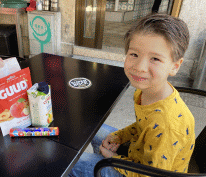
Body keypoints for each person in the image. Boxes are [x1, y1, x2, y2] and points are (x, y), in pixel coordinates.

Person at [68, 13, 195, 177]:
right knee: (92, 128)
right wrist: (119, 136)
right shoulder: (147, 91)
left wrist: (113, 158)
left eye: (155, 58)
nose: (140, 67)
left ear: (175, 66)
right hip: (139, 152)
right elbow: (143, 126)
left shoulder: (167, 125)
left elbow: (149, 175)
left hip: (145, 172)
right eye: (134, 54)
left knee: (70, 162)